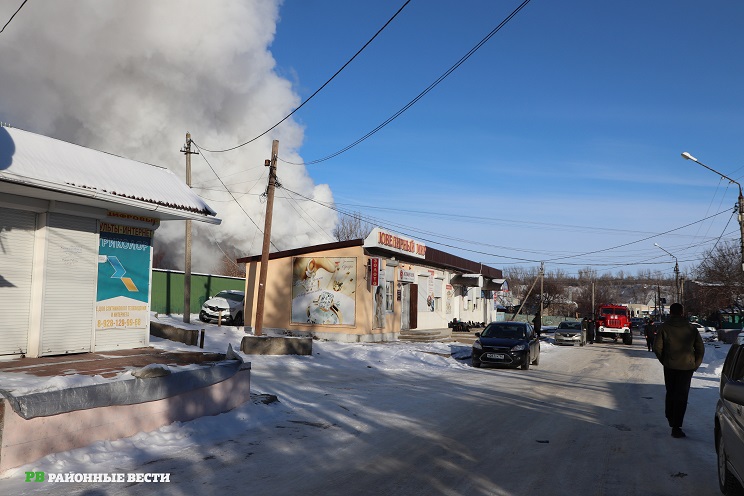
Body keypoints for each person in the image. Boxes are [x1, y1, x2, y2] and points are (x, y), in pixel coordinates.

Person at [653, 303, 705, 439]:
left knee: (671, 392)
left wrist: (666, 361)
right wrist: (695, 364)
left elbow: (657, 347)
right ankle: (676, 427)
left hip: (670, 366)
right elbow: (700, 348)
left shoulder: (664, 327)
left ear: (670, 312)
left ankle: (670, 417)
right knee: (682, 396)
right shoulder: (691, 328)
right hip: (686, 368)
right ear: (682, 312)